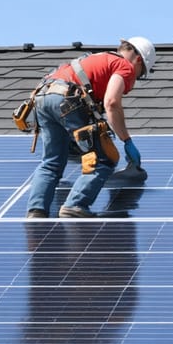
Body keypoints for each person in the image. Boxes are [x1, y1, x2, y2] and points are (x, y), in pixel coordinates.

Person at [26, 37, 155, 218]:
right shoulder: (124, 66)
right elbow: (112, 102)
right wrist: (127, 141)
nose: (136, 77)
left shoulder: (98, 58)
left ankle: (36, 211)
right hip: (67, 101)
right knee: (103, 158)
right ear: (139, 60)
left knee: (52, 162)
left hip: (43, 97)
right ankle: (75, 205)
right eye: (140, 73)